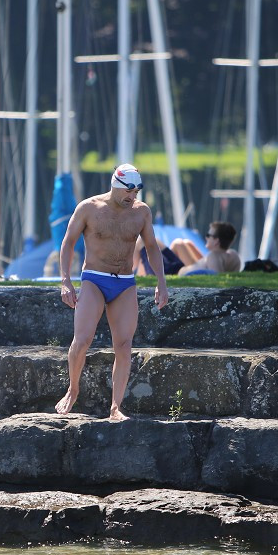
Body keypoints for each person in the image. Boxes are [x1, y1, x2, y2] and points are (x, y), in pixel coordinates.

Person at [57, 163, 169, 421]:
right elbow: (68, 242)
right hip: (94, 279)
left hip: (125, 283)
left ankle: (116, 407)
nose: (133, 197)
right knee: (82, 339)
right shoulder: (89, 208)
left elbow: (151, 247)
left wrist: (161, 282)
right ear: (116, 186)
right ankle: (73, 389)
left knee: (124, 344)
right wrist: (65, 281)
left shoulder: (141, 213)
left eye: (137, 191)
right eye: (129, 191)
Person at [171, 221, 242, 275]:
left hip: (177, 270)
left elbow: (217, 278)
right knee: (187, 242)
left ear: (216, 241)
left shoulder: (213, 256)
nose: (206, 238)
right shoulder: (233, 255)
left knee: (177, 243)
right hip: (194, 266)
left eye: (208, 235)